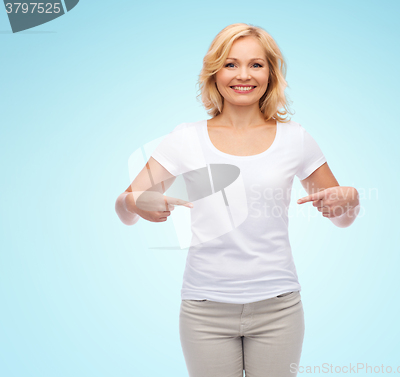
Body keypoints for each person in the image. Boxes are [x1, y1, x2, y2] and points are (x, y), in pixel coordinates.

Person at [115, 23, 360, 377]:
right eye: (230, 64)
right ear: (214, 73)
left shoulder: (296, 139)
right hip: (204, 311)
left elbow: (341, 217)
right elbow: (124, 207)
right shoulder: (185, 138)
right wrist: (136, 203)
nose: (243, 75)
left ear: (271, 73)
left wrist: (350, 200)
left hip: (279, 309)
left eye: (256, 64)